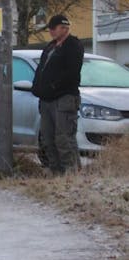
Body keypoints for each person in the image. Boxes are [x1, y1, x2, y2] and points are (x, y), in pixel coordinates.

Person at [31, 14, 84, 175]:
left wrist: (54, 86)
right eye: (51, 29)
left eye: (56, 28)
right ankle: (56, 171)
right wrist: (37, 86)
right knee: (48, 137)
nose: (53, 32)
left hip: (64, 98)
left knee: (64, 138)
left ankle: (71, 173)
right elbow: (41, 68)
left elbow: (72, 72)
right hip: (46, 99)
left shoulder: (73, 46)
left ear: (64, 28)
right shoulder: (50, 47)